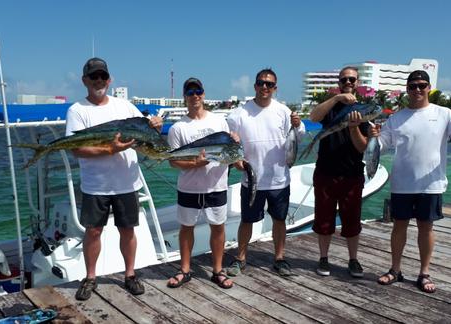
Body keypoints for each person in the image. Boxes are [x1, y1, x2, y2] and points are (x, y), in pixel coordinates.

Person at [372, 70, 451, 293]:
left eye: (422, 85)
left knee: (426, 228)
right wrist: (372, 136)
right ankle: (395, 270)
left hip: (431, 183)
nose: (418, 89)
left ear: (429, 87)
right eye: (413, 86)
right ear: (407, 90)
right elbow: (381, 145)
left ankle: (424, 272)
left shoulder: (444, 114)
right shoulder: (396, 118)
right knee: (398, 227)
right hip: (401, 183)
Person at [66, 57, 163, 300]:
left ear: (109, 80)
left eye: (102, 76)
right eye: (93, 76)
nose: (98, 80)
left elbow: (146, 132)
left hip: (127, 182)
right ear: (84, 80)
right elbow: (76, 148)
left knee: (127, 230)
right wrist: (111, 149)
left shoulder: (125, 106)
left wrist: (156, 126)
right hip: (95, 185)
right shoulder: (77, 111)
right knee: (94, 232)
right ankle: (90, 277)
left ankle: (130, 275)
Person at [226, 68, 305, 277]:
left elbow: (299, 136)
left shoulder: (284, 112)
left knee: (279, 220)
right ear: (254, 86)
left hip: (279, 179)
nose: (264, 87)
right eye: (261, 83)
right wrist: (236, 161)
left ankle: (279, 258)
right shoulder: (239, 113)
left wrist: (298, 125)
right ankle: (240, 258)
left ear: (275, 88)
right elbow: (230, 142)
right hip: (252, 179)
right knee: (247, 220)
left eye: (269, 84)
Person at [166, 78, 234, 289]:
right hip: (189, 187)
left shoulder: (219, 121)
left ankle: (217, 270)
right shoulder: (177, 128)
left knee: (218, 227)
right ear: (184, 97)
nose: (195, 95)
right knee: (186, 228)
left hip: (216, 186)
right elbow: (173, 161)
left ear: (203, 94)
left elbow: (228, 150)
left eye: (198, 91)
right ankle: (185, 269)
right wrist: (195, 163)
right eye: (190, 92)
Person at [308, 66, 369, 278]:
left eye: (352, 79)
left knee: (352, 220)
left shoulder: (363, 109)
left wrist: (353, 127)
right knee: (324, 220)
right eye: (344, 79)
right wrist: (336, 99)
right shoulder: (330, 107)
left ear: (358, 82)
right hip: (325, 173)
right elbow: (314, 117)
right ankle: (323, 258)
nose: (348, 82)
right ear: (339, 83)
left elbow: (362, 147)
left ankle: (353, 259)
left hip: (352, 174)